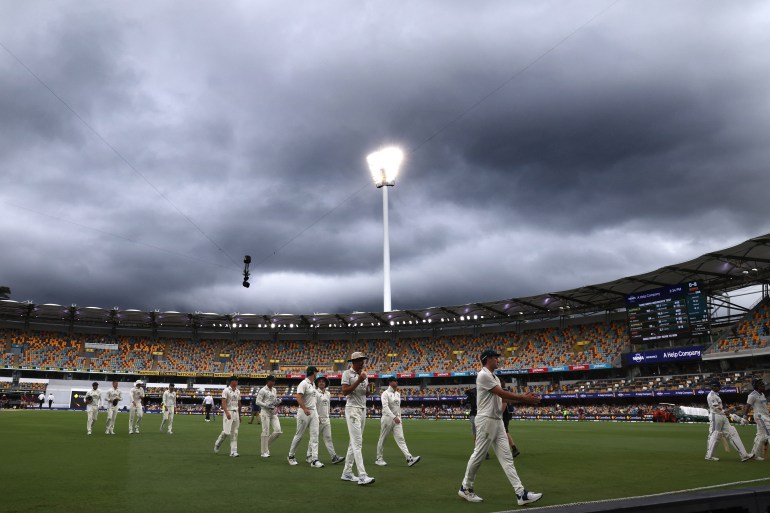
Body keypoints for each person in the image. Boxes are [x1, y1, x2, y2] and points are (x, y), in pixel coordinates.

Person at [458, 349, 542, 506]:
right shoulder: (483, 375)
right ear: (488, 359)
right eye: (496, 357)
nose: (498, 359)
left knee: (507, 458)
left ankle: (520, 493)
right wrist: (523, 397)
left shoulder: (494, 376)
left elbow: (502, 397)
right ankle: (466, 487)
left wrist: (525, 400)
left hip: (496, 421)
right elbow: (501, 392)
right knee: (478, 455)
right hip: (486, 420)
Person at [340, 352, 375, 485]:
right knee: (357, 442)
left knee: (353, 442)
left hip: (362, 409)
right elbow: (345, 392)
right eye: (360, 360)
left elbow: (366, 393)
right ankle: (362, 475)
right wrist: (359, 380)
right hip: (352, 409)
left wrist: (370, 387)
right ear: (354, 362)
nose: (363, 363)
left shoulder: (364, 375)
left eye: (363, 360)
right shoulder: (347, 374)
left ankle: (347, 473)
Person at [705, 378, 753, 461]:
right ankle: (709, 456)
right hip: (716, 416)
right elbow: (717, 409)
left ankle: (744, 455)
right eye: (718, 386)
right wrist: (730, 412)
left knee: (732, 433)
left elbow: (721, 410)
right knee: (715, 434)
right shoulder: (711, 395)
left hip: (722, 416)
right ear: (714, 387)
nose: (720, 387)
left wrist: (736, 417)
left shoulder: (716, 395)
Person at [375, 377, 420, 467]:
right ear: (390, 382)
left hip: (397, 419)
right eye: (395, 381)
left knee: (401, 439)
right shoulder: (385, 393)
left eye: (396, 381)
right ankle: (379, 459)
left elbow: (397, 408)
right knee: (383, 439)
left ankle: (409, 458)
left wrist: (399, 417)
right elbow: (385, 407)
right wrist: (394, 417)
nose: (397, 382)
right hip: (387, 418)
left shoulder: (398, 394)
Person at [288, 366, 323, 467]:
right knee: (299, 435)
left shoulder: (312, 385)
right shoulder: (304, 383)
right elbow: (298, 396)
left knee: (315, 436)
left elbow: (315, 400)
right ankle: (291, 456)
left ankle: (314, 459)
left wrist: (317, 413)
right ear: (313, 373)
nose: (317, 374)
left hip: (313, 412)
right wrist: (304, 408)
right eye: (316, 372)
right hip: (304, 412)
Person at [316, 376, 344, 464]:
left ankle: (334, 457)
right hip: (318, 419)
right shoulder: (315, 393)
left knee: (328, 438)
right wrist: (316, 417)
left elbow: (328, 405)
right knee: (314, 439)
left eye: (323, 382)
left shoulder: (328, 393)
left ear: (325, 384)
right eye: (320, 381)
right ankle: (310, 456)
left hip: (326, 419)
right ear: (317, 383)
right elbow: (313, 406)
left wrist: (328, 415)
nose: (321, 383)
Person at [256, 375, 282, 457]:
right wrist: (267, 405)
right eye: (273, 381)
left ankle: (265, 445)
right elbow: (257, 402)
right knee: (265, 431)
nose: (274, 382)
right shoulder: (262, 390)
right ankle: (263, 452)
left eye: (274, 381)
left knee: (278, 431)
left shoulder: (274, 390)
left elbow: (274, 401)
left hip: (273, 412)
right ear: (268, 381)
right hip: (265, 412)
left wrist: (277, 402)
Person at [214, 377, 241, 457]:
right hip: (228, 411)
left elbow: (239, 403)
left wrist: (240, 415)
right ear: (232, 381)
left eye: (237, 381)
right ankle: (217, 444)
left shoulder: (238, 391)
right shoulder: (226, 390)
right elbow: (223, 402)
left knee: (235, 432)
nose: (237, 382)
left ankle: (233, 451)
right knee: (226, 432)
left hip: (236, 412)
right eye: (235, 381)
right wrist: (226, 412)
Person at [743, 377, 768, 461]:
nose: (763, 385)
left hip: (765, 416)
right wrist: (745, 416)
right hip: (760, 417)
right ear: (756, 386)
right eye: (761, 384)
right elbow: (747, 406)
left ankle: (754, 455)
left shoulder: (762, 394)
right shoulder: (752, 395)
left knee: (760, 435)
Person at [502, 391, 521, 458]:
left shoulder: (502, 391)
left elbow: (504, 403)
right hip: (508, 413)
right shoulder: (507, 391)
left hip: (504, 415)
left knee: (504, 431)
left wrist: (499, 414)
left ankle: (513, 448)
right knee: (504, 431)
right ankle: (513, 448)